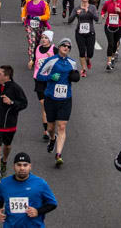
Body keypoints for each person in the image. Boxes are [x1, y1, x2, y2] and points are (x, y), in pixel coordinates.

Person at [0, 65, 29, 187]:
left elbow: (24, 103)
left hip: (9, 124)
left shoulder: (15, 88)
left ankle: (4, 161)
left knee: (7, 146)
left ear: (7, 76)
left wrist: (11, 102)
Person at [36, 38, 81, 167]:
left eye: (68, 47)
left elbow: (75, 75)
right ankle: (52, 138)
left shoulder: (72, 63)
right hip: (51, 98)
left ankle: (58, 154)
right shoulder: (51, 61)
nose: (66, 48)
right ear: (59, 47)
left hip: (66, 98)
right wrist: (50, 77)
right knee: (50, 128)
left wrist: (75, 77)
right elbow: (39, 76)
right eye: (64, 45)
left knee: (62, 126)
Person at [0, 152, 58, 226]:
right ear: (14, 166)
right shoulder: (4, 183)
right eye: (19, 165)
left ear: (30, 166)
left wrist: (38, 211)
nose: (22, 168)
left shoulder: (40, 183)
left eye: (25, 165)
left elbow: (52, 203)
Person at [67, 0, 99, 76]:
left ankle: (88, 59)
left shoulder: (92, 7)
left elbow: (97, 19)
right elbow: (69, 20)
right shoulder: (77, 8)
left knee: (90, 53)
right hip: (79, 33)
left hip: (90, 32)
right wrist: (75, 15)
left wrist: (89, 11)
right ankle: (84, 70)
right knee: (81, 52)